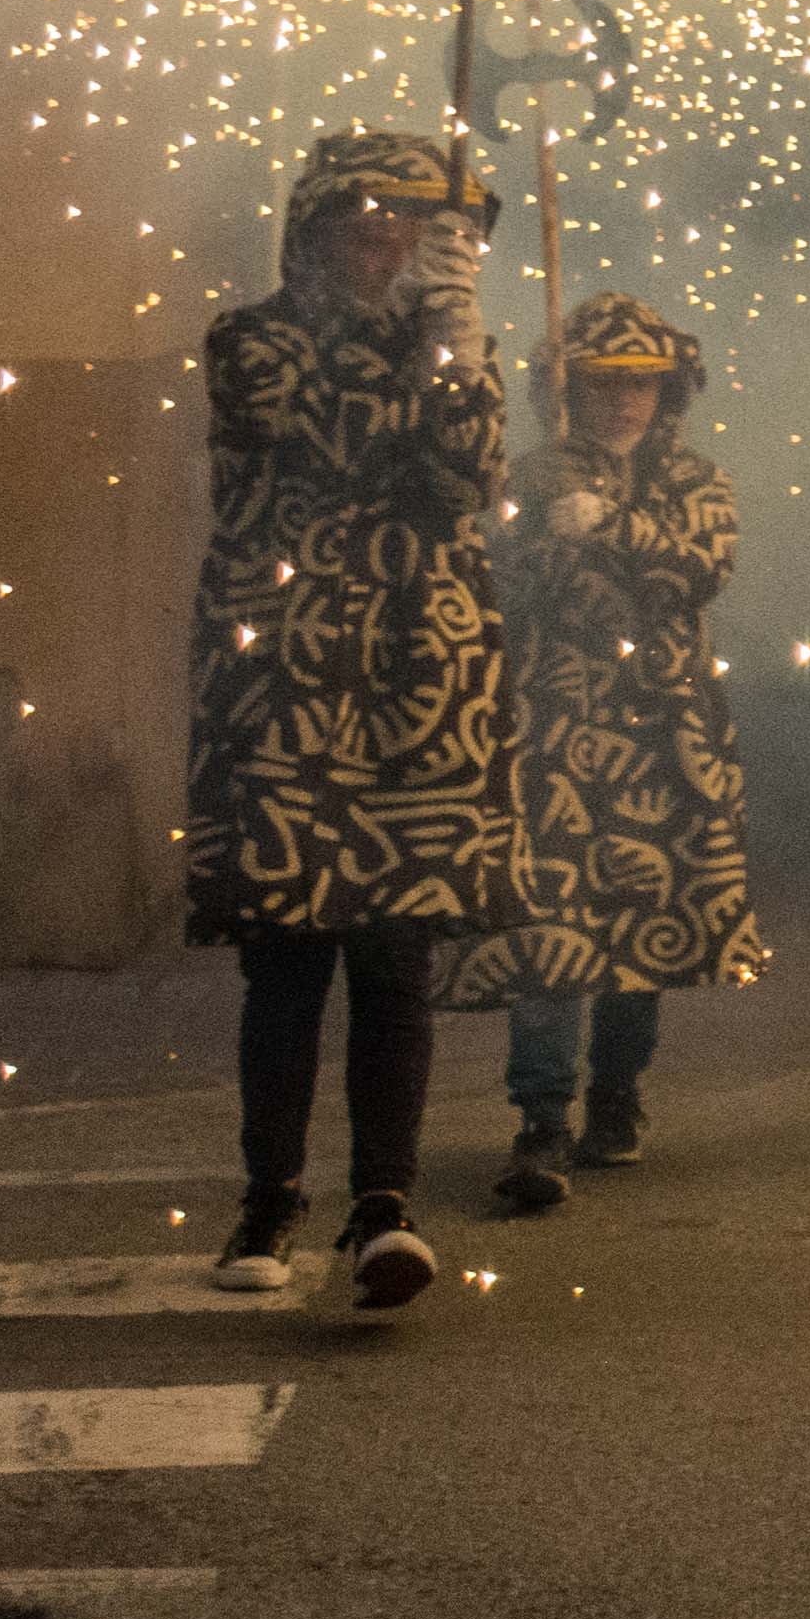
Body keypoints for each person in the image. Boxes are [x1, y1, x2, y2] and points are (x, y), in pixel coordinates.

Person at [185, 131, 513, 1312]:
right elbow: (328, 439)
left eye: (409, 228)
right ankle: (269, 1193)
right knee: (286, 957)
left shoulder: (454, 348)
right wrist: (426, 360)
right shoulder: (251, 336)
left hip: (421, 678)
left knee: (395, 956)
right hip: (285, 679)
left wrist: (458, 349)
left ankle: (385, 1201)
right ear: (316, 229)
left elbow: (462, 478)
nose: (384, 242)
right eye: (363, 221)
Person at [440, 296, 754, 1213]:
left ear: (669, 391)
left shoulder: (695, 478)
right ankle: (540, 1113)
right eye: (604, 386)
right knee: (546, 923)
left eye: (641, 386)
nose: (624, 404)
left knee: (636, 921)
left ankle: (617, 1095)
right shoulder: (530, 475)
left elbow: (700, 572)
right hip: (550, 726)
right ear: (567, 393)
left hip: (660, 728)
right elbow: (494, 579)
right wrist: (544, 520)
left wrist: (612, 526)